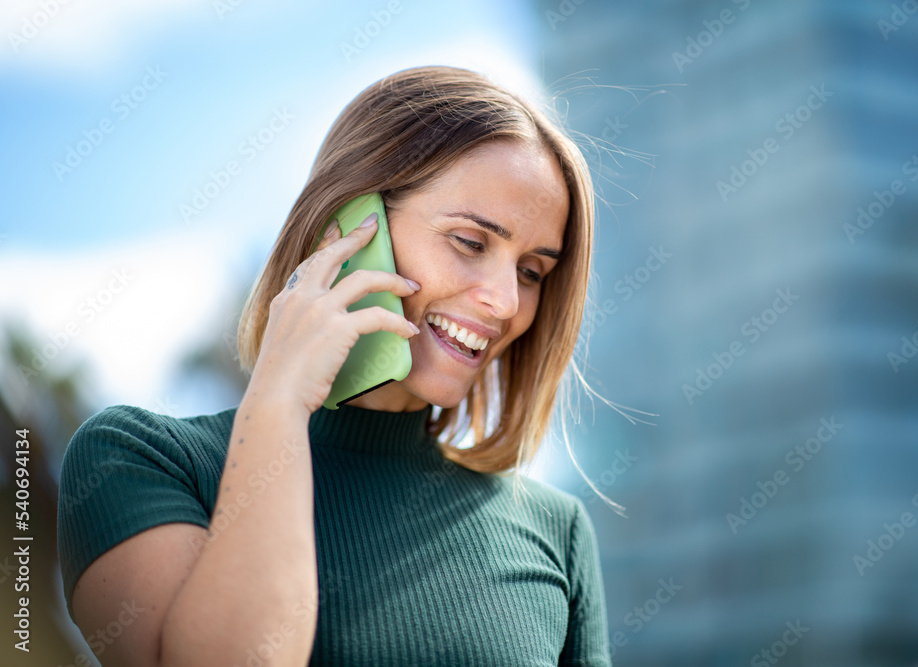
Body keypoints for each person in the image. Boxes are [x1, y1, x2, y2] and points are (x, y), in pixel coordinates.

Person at [57, 65, 614, 666]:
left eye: (531, 271)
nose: (505, 302)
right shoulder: (140, 461)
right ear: (345, 229)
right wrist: (278, 402)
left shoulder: (558, 531)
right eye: (471, 243)